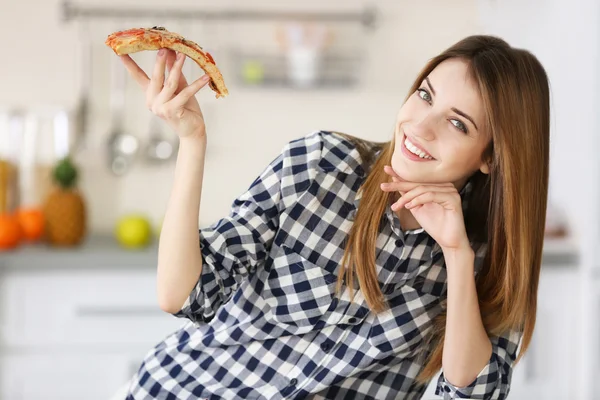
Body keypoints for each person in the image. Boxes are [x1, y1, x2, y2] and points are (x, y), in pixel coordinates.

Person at [119, 34, 549, 399]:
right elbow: (186, 294)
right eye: (425, 95)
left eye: (457, 124)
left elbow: (471, 394)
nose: (420, 126)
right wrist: (192, 141)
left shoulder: (488, 263)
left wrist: (456, 256)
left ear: (492, 156)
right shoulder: (322, 164)